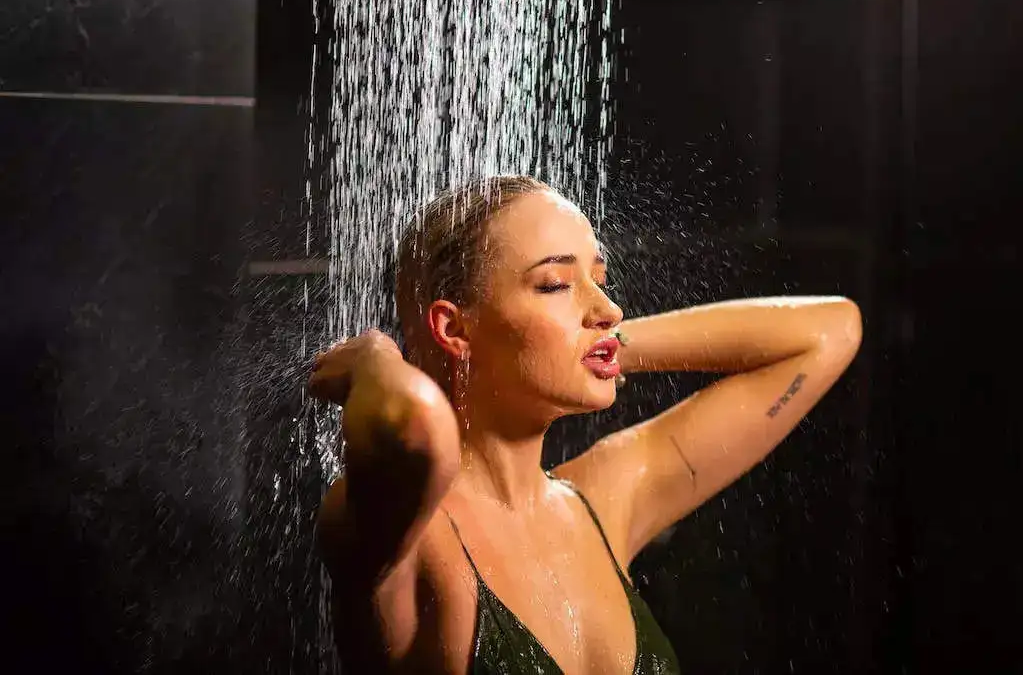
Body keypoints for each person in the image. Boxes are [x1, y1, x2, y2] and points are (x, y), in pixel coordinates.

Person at [308, 176, 862, 675]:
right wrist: (373, 357)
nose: (609, 308)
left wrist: (606, 348)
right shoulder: (406, 530)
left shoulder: (603, 499)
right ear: (454, 328)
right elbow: (414, 425)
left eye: (598, 279)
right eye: (554, 284)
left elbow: (832, 330)